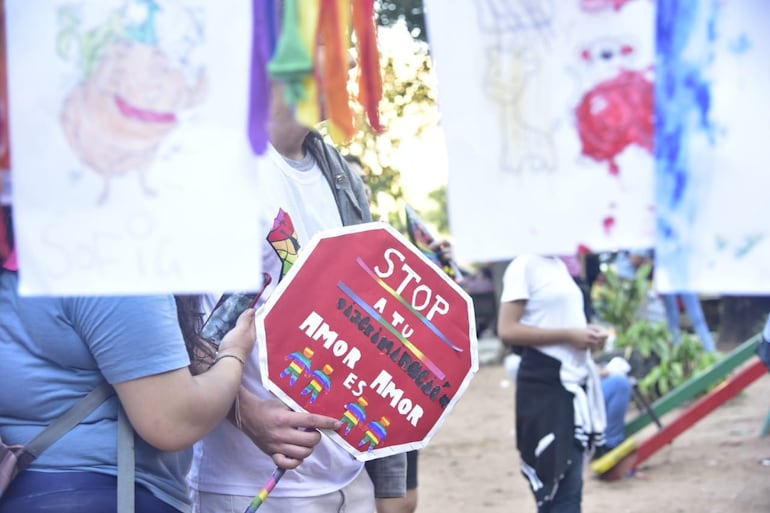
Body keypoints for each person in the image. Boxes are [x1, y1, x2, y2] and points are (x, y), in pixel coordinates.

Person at [188, 78, 406, 513]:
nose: (345, 62)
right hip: (249, 487)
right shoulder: (218, 167)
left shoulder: (340, 175)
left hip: (349, 478)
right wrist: (241, 411)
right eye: (327, 36)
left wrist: (387, 481)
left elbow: (367, 329)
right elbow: (182, 329)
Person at [0, 243, 257, 512]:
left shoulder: (23, 252)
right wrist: (233, 354)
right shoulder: (110, 258)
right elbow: (173, 420)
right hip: (105, 492)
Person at [497, 254, 608, 513]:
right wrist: (569, 335)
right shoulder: (524, 265)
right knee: (560, 493)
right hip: (546, 387)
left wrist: (587, 333)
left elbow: (556, 320)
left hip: (571, 385)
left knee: (568, 492)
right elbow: (507, 330)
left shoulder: (557, 264)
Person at [615, 248, 716, 352]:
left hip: (672, 272)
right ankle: (680, 350)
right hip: (645, 279)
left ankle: (706, 349)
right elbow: (635, 259)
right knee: (673, 317)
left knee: (688, 316)